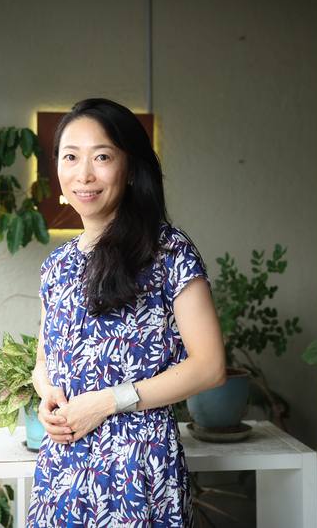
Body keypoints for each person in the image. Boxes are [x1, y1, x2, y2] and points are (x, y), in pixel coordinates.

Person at [27, 98, 226, 527]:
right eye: (70, 157)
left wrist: (106, 402)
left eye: (101, 157)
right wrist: (46, 395)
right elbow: (44, 360)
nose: (84, 174)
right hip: (61, 470)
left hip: (137, 470)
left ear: (130, 168)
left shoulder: (168, 252)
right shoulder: (56, 267)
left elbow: (210, 367)